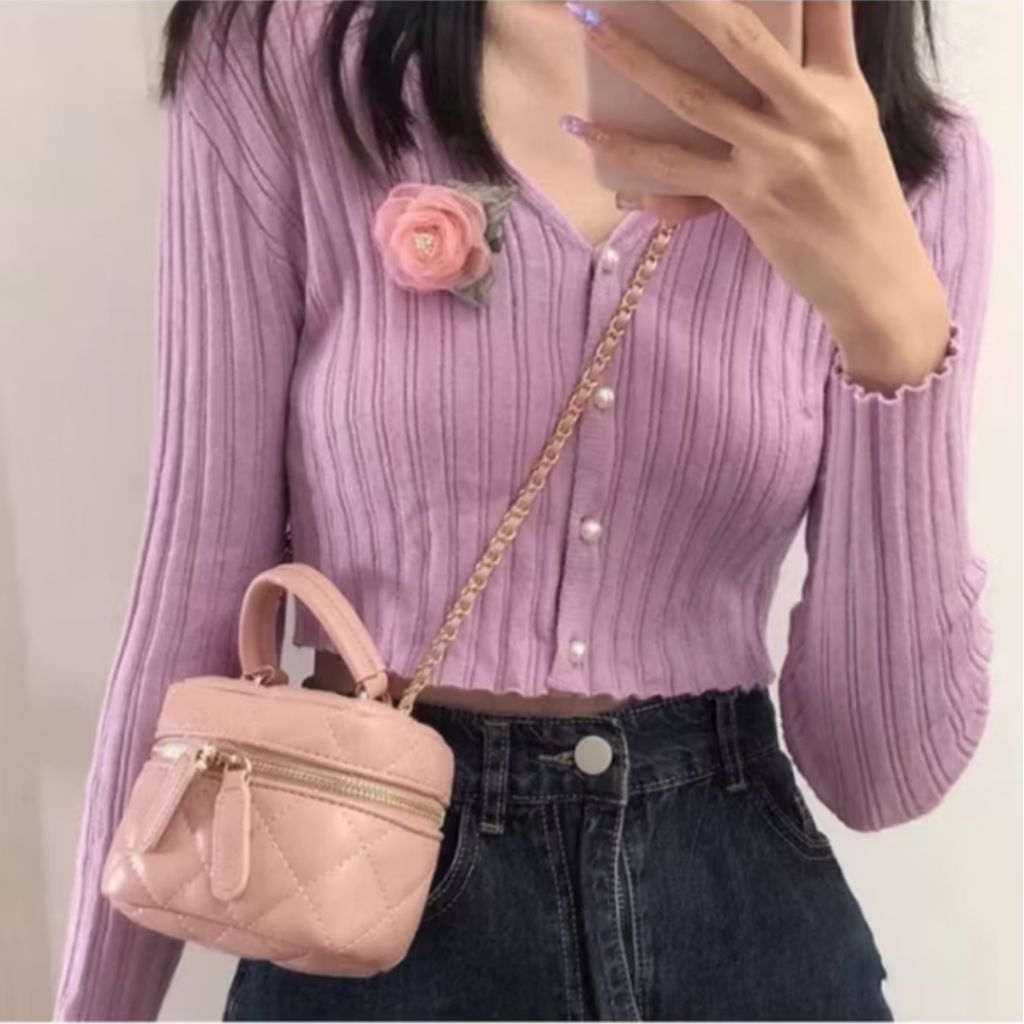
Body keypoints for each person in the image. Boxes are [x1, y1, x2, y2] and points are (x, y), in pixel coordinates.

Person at [56, 1, 994, 1020]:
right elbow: (190, 595)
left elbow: (878, 773)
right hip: (365, 898)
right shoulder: (283, 53)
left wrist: (893, 329)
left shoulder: (911, 167)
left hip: (742, 925)